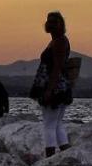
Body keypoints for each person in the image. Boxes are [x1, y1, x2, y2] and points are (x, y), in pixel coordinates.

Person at [31, 11, 72, 156]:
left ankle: (50, 157)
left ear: (61, 24)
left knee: (49, 124)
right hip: (58, 86)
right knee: (56, 123)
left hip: (55, 87)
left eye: (54, 21)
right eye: (49, 21)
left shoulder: (60, 41)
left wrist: (49, 90)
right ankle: (65, 154)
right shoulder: (56, 40)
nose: (50, 24)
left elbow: (57, 67)